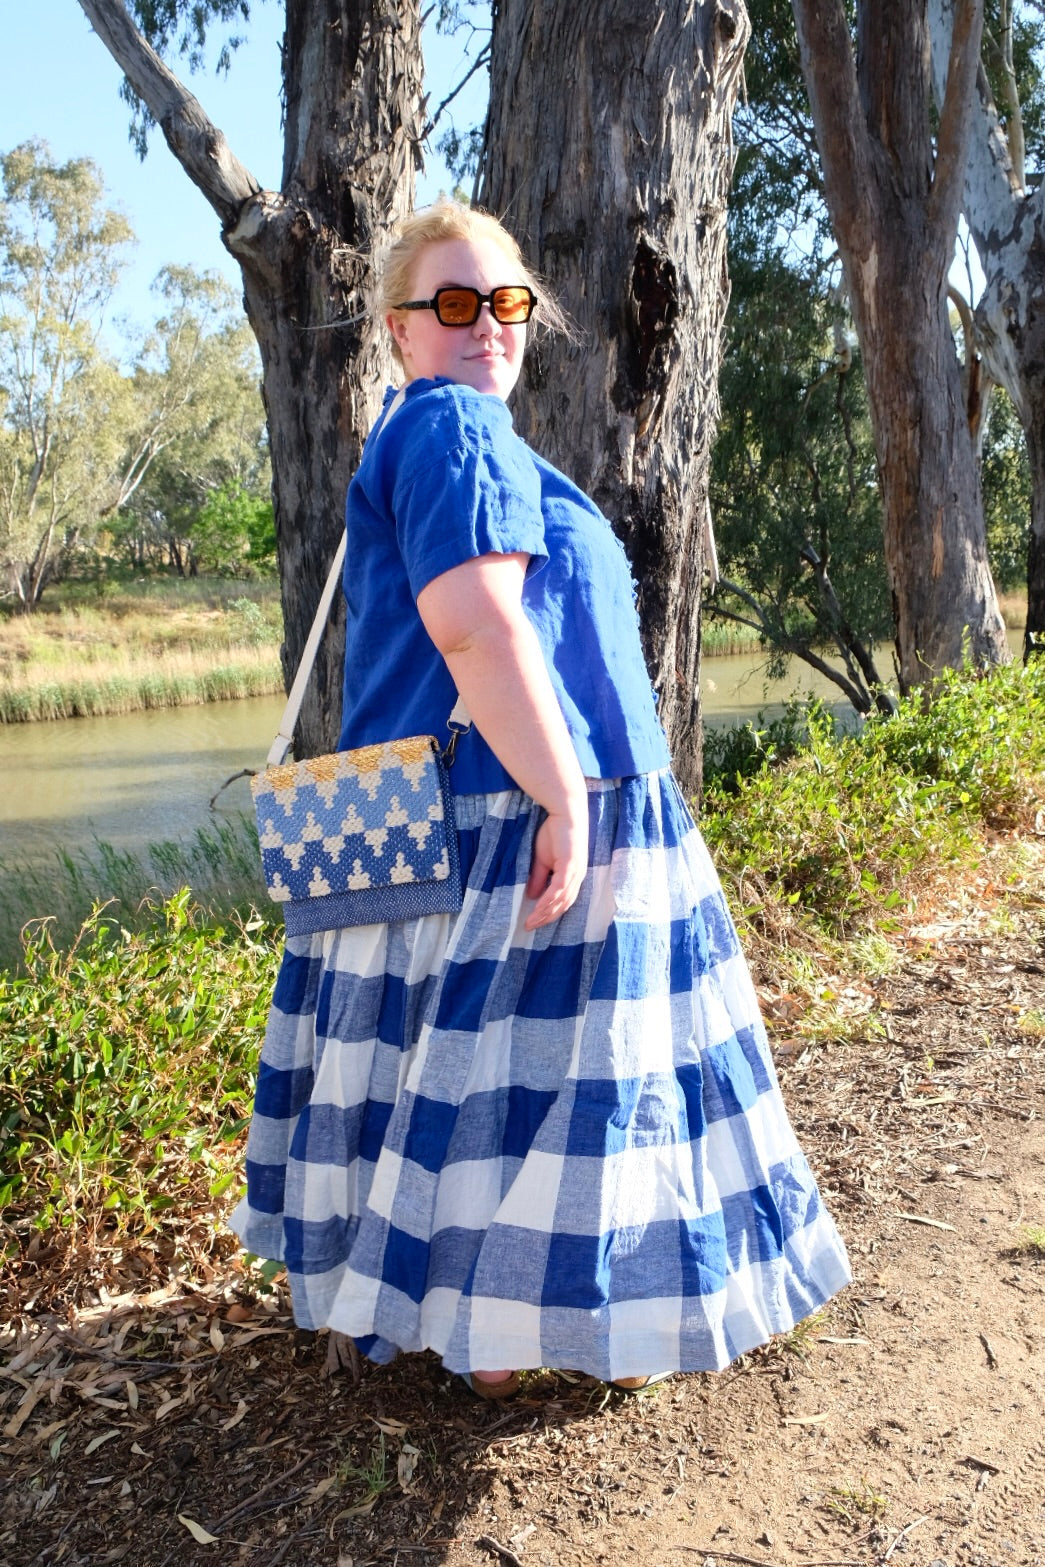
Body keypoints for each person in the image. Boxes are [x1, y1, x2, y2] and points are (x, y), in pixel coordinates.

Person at [232, 200, 850, 1398]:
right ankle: (512, 1330)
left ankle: (494, 1326)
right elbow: (476, 625)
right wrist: (565, 796)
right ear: (398, 328)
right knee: (556, 1071)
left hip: (472, 805)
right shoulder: (454, 425)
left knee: (481, 1072)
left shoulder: (434, 434)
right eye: (451, 305)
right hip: (517, 807)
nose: (485, 327)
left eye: (505, 303)